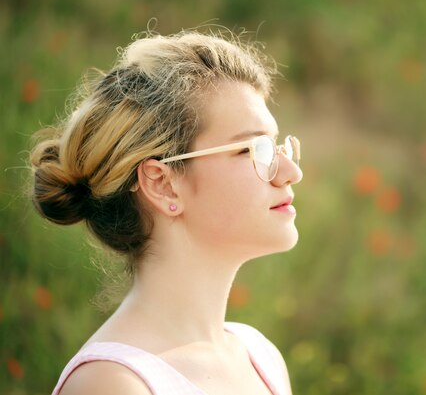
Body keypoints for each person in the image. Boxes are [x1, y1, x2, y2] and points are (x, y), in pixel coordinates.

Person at [30, 30, 303, 395]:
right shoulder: (111, 384)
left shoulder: (260, 357)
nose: (291, 172)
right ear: (162, 183)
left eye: (277, 146)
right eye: (254, 149)